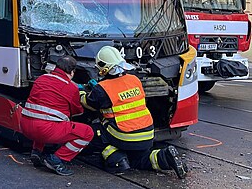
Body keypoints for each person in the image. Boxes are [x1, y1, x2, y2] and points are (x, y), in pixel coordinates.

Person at [80, 46, 188, 178]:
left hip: (124, 136)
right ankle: (165, 158)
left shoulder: (102, 88)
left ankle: (118, 159)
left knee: (92, 133)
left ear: (103, 68)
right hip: (147, 135)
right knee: (139, 159)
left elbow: (90, 104)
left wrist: (81, 93)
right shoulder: (134, 80)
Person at [19, 56, 94, 176]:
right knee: (87, 132)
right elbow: (77, 112)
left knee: (43, 116)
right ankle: (56, 160)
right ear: (72, 72)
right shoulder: (71, 87)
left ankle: (37, 152)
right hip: (45, 130)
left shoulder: (41, 79)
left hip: (25, 125)